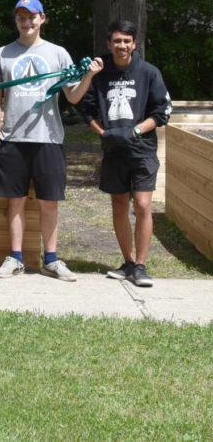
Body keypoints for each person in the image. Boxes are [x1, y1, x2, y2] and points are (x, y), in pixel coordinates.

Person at [0, 0, 100, 281]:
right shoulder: (1, 54)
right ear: (16, 21)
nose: (26, 22)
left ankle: (51, 259)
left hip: (48, 138)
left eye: (32, 17)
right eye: (21, 17)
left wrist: (88, 76)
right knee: (15, 202)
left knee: (49, 202)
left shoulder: (58, 54)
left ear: (42, 19)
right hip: (12, 138)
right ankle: (15, 258)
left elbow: (73, 96)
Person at [81, 19, 171, 287]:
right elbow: (85, 110)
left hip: (142, 150)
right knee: (119, 205)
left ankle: (142, 266)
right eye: (117, 41)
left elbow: (162, 112)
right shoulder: (99, 73)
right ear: (109, 43)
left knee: (142, 206)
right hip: (113, 151)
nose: (122, 45)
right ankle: (128, 262)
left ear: (134, 43)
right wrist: (103, 134)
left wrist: (135, 132)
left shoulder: (148, 72)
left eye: (127, 41)